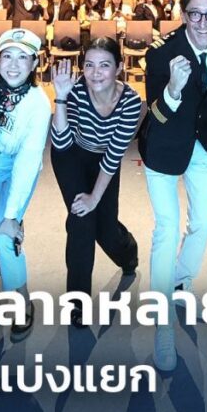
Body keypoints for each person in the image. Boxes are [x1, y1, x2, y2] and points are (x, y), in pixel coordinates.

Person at [139, 0, 207, 371]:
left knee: (204, 222)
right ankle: (162, 322)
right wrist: (173, 91)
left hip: (205, 144)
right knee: (167, 227)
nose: (203, 22)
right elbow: (155, 114)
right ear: (183, 15)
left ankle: (180, 279)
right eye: (195, 13)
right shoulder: (160, 54)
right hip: (164, 145)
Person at [49, 38, 142, 318]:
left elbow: (113, 156)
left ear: (119, 68)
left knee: (106, 229)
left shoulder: (131, 102)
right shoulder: (76, 91)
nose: (95, 73)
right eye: (89, 65)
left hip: (105, 160)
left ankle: (128, 252)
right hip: (71, 156)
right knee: (82, 220)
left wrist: (95, 197)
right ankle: (77, 302)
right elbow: (61, 143)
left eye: (104, 65)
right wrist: (61, 97)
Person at [0, 28, 51, 341]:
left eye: (23, 57)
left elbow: (28, 162)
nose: (14, 65)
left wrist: (12, 214)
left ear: (35, 63)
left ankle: (22, 300)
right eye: (7, 56)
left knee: (7, 233)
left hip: (16, 164)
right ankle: (1, 243)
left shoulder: (39, 105)